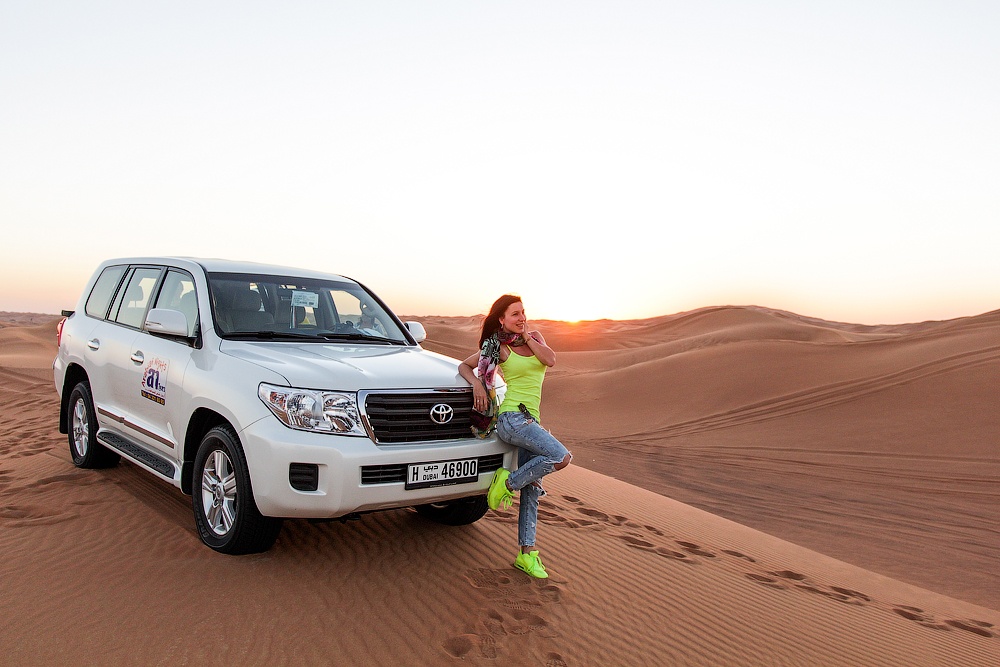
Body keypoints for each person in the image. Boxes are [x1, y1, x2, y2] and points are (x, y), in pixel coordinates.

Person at [459, 294, 572, 579]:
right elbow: (464, 366)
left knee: (532, 490)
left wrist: (527, 337)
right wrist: (477, 385)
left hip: (531, 422)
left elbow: (550, 360)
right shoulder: (497, 347)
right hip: (512, 419)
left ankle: (526, 554)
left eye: (523, 313)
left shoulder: (535, 338)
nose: (521, 318)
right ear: (501, 319)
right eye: (515, 314)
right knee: (561, 457)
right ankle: (507, 483)